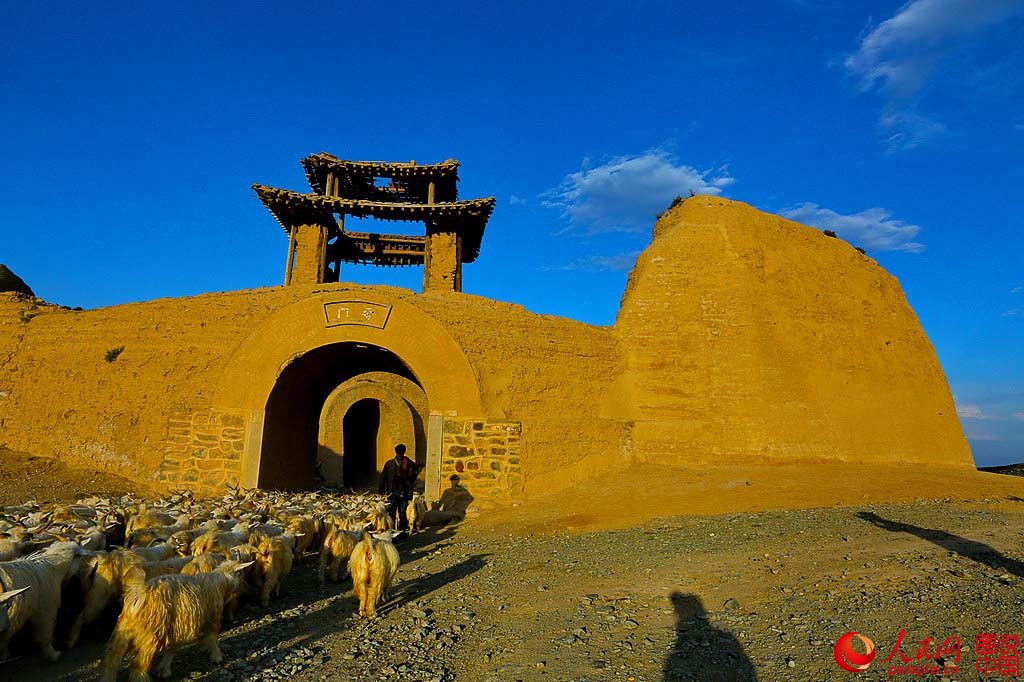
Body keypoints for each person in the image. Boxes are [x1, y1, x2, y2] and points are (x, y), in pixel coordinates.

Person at [378, 444, 418, 530]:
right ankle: (402, 531)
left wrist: (381, 490)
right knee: (402, 512)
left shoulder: (389, 464)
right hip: (404, 492)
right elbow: (414, 476)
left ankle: (392, 530)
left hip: (391, 492)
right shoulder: (410, 464)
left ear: (395, 451)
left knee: (391, 512)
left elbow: (383, 478)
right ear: (404, 451)